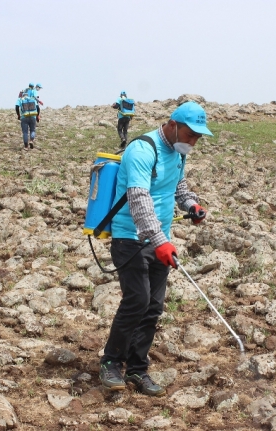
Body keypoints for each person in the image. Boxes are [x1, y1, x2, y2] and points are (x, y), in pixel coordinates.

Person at [99, 101, 212, 396]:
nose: (193, 142)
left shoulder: (178, 152)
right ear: (173, 125)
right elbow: (139, 200)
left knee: (153, 308)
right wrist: (159, 241)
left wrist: (192, 205)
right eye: (190, 135)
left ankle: (137, 369)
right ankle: (111, 361)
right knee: (137, 300)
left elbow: (178, 187)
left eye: (198, 137)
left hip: (160, 239)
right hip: (130, 238)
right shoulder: (142, 150)